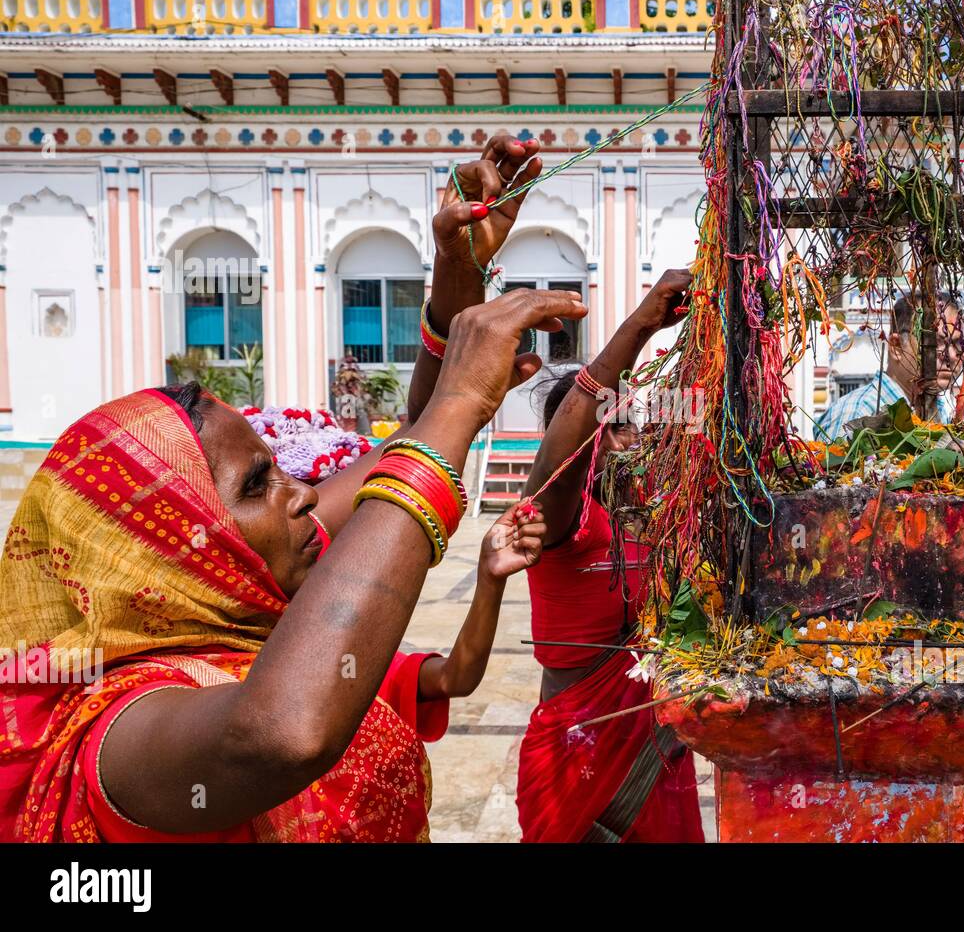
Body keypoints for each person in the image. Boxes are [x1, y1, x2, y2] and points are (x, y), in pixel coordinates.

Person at [0, 137, 575, 842]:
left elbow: (403, 457)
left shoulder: (255, 584)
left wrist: (459, 273)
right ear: (167, 551)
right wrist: (459, 402)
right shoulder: (120, 732)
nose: (302, 493)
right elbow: (282, 736)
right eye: (257, 484)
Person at [514, 270, 705, 843]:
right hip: (578, 747)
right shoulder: (555, 518)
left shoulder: (651, 511)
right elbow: (571, 436)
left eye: (629, 426)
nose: (624, 441)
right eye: (607, 428)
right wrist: (642, 324)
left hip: (655, 748)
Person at [816, 293, 964, 440]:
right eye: (935, 343)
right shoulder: (860, 413)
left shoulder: (939, 410)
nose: (951, 355)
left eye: (957, 343)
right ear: (897, 347)